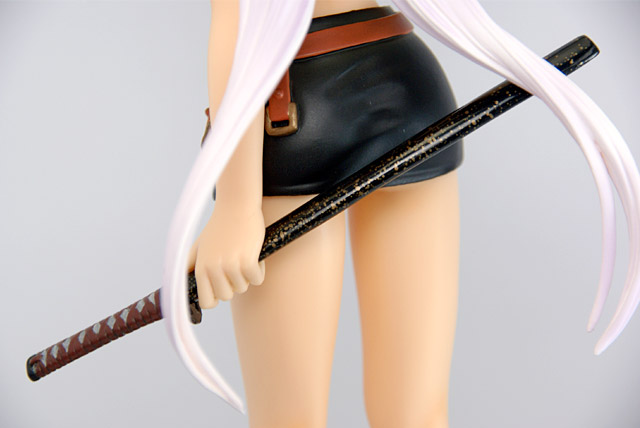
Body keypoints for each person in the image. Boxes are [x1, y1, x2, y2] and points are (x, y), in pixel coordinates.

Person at [160, 1, 640, 427]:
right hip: (401, 83)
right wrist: (236, 204)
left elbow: (238, 21)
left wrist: (238, 203)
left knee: (302, 421)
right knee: (411, 416)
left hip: (297, 110)